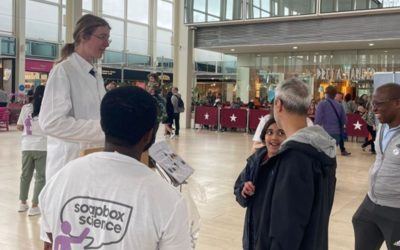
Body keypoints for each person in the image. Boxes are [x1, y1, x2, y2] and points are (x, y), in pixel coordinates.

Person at [39, 86, 191, 249]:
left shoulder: (60, 180)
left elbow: (49, 242)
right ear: (149, 135)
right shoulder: (168, 200)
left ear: (102, 125)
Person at [249, 78, 337, 250]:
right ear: (309, 107)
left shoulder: (293, 157)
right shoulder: (322, 147)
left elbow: (286, 228)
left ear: (278, 104)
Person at [39, 14, 111, 180]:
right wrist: (104, 129)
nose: (106, 44)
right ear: (83, 36)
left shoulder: (95, 74)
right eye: (102, 37)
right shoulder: (63, 71)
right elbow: (51, 123)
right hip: (68, 166)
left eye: (108, 39)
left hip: (91, 163)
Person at [352, 83, 400, 250]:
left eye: (379, 103)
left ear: (397, 103)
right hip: (371, 202)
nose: (373, 109)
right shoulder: (382, 127)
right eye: (373, 103)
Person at [234, 117, 286, 250]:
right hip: (252, 232)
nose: (274, 138)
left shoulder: (288, 165)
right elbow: (238, 188)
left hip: (273, 236)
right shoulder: (256, 159)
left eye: (280, 133)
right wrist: (244, 190)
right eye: (270, 132)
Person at [16, 85, 47, 216]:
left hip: (27, 146)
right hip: (43, 146)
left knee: (25, 175)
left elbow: (19, 126)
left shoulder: (26, 108)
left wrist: (29, 130)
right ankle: (35, 206)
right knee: (40, 177)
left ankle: (22, 203)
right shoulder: (48, 109)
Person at [315, 85, 351, 156]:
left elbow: (318, 121)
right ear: (335, 95)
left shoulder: (321, 104)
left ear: (326, 94)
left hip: (324, 133)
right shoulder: (339, 105)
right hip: (336, 134)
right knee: (331, 154)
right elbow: (345, 121)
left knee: (323, 155)